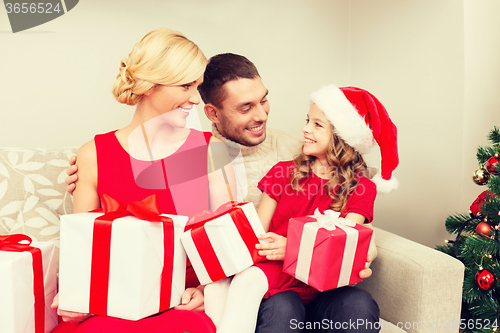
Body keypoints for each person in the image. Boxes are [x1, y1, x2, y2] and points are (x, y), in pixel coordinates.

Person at [66, 53, 387, 332]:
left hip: (316, 282)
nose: (261, 115)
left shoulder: (296, 149)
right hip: (267, 282)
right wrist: (89, 171)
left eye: (263, 100)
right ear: (212, 113)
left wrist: (352, 250)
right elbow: (144, 197)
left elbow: (354, 218)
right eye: (245, 107)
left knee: (357, 306)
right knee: (282, 310)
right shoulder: (198, 153)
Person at [53, 28, 237, 333]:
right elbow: (84, 248)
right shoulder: (93, 154)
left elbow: (225, 245)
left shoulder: (211, 151)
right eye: (185, 86)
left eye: (198, 86)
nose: (195, 99)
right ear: (149, 85)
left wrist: (207, 291)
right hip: (111, 304)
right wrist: (76, 297)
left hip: (178, 303)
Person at [203, 84, 399, 333]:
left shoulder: (361, 187)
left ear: (342, 136)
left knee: (359, 304)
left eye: (317, 125)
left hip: (325, 290)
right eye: (308, 121)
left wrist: (292, 249)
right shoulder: (282, 173)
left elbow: (342, 244)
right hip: (280, 287)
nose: (305, 129)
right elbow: (258, 238)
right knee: (283, 310)